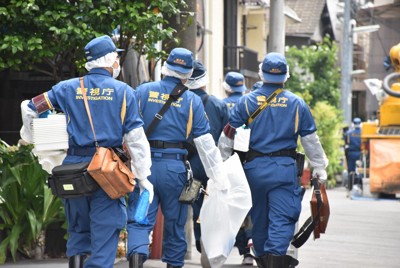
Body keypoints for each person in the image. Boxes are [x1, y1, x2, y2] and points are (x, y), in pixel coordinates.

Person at [19, 35, 154, 268]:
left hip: (72, 168)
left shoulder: (66, 88)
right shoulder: (124, 92)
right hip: (106, 168)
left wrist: (34, 139)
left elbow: (30, 108)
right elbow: (136, 140)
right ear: (111, 60)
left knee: (78, 232)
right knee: (105, 231)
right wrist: (143, 176)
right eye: (117, 57)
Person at [218, 52, 328, 268]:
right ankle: (275, 259)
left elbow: (227, 137)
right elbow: (310, 141)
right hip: (283, 171)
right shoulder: (297, 104)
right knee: (282, 219)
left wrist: (219, 167)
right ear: (286, 76)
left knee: (259, 220)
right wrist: (320, 168)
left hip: (253, 171)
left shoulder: (246, 102)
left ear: (261, 74)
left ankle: (262, 258)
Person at [127, 48, 228, 268]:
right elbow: (206, 145)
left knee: (140, 219)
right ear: (188, 73)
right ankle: (174, 264)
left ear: (165, 67)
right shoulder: (193, 101)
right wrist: (219, 179)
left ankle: (136, 260)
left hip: (145, 169)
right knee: (175, 224)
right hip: (175, 171)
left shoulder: (142, 91)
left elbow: (127, 129)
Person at [184, 60, 230, 255]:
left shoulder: (180, 101)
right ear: (205, 79)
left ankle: (198, 241)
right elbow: (227, 139)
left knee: (193, 205)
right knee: (213, 205)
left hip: (189, 167)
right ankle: (212, 244)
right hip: (213, 166)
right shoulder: (219, 105)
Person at [345, 117, 362, 192]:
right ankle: (360, 185)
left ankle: (350, 187)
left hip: (351, 153)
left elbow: (346, 142)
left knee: (351, 170)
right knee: (361, 170)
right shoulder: (363, 132)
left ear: (353, 124)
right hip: (360, 153)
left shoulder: (349, 133)